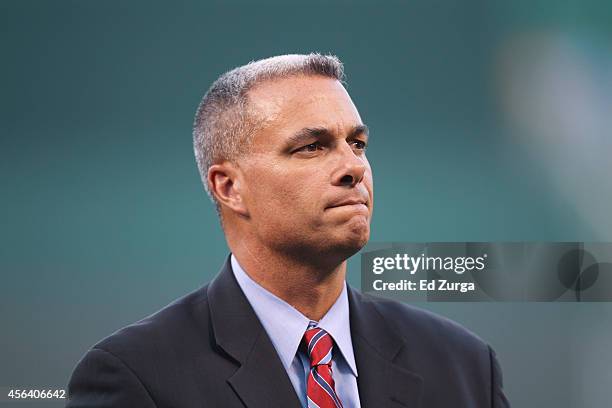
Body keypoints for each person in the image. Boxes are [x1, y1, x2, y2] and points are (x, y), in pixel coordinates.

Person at [67, 54, 510, 408]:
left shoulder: (464, 367)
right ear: (229, 187)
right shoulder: (137, 376)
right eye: (312, 147)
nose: (354, 167)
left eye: (357, 144)